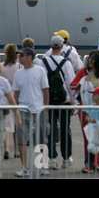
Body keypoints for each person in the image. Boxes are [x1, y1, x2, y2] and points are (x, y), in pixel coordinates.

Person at [71, 49, 99, 172]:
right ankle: (89, 163)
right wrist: (82, 83)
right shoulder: (83, 72)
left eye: (93, 59)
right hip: (85, 109)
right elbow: (72, 85)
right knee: (88, 136)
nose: (90, 61)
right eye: (90, 58)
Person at [12, 47, 50, 177]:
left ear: (29, 57)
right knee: (21, 139)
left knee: (41, 138)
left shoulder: (40, 71)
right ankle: (24, 167)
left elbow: (45, 91)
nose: (19, 57)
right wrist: (15, 111)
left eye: (22, 55)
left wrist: (46, 108)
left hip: (39, 110)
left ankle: (43, 165)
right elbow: (16, 93)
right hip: (23, 110)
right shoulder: (18, 73)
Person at [41, 35, 76, 170]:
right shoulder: (66, 63)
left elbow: (42, 84)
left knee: (50, 130)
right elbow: (70, 85)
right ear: (62, 46)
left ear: (50, 46)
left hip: (48, 101)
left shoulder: (43, 62)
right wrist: (73, 104)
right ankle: (66, 157)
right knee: (65, 128)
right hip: (63, 102)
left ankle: (52, 158)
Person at [0, 43, 21, 160]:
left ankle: (6, 148)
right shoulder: (19, 67)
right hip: (16, 97)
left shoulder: (1, 66)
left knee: (6, 125)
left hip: (4, 97)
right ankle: (17, 150)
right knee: (16, 125)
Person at [83, 87, 99, 173]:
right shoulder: (91, 106)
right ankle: (89, 165)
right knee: (90, 147)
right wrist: (90, 119)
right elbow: (86, 116)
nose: (92, 96)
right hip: (92, 131)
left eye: (95, 94)